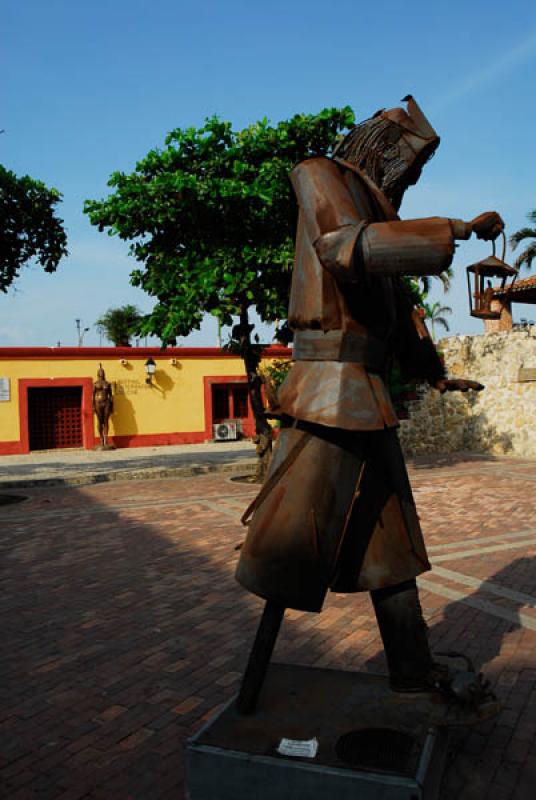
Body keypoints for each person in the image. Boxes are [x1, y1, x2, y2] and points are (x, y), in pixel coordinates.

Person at [235, 96, 501, 715]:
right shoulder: (320, 174)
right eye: (411, 168)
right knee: (293, 545)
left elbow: (393, 311)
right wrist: (454, 229)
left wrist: (434, 375)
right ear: (383, 152)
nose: (411, 180)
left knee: (391, 545)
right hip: (329, 393)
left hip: (367, 395)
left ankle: (411, 669)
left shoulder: (379, 213)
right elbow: (344, 247)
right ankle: (249, 694)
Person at [92, 364, 114, 448]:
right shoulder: (95, 383)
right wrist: (93, 406)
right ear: (98, 373)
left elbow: (111, 395)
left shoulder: (107, 383)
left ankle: (106, 440)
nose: (102, 373)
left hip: (107, 402)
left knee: (106, 421)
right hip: (98, 402)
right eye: (100, 372)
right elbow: (92, 395)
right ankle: (101, 439)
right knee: (99, 421)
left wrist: (112, 406)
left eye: (103, 372)